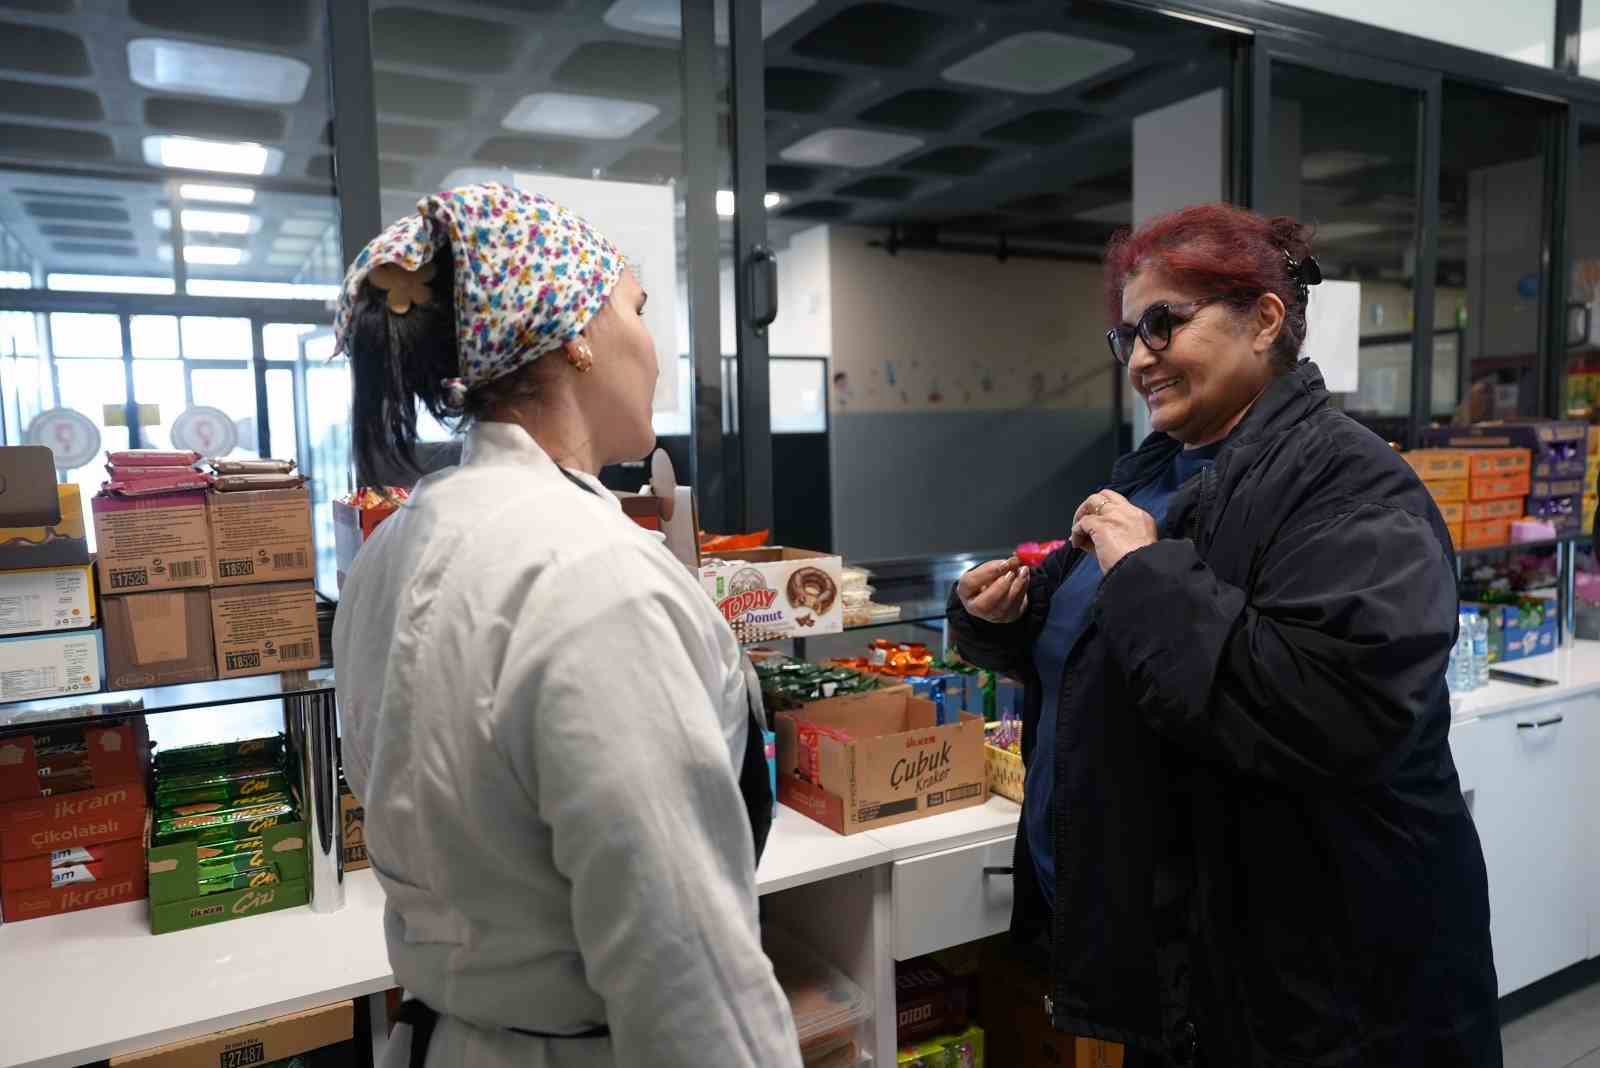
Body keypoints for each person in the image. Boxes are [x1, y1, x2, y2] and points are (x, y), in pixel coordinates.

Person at [949, 203, 1501, 1067]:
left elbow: (1327, 707)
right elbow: (1113, 649)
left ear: (1265, 319)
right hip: (1190, 978)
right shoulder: (1161, 476)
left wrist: (1142, 574)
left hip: (1319, 994)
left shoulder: (1352, 486)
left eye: (1163, 324)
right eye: (1126, 336)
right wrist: (1003, 622)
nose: (1139, 360)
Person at [333, 183, 801, 1068]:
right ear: (578, 336)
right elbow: (684, 965)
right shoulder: (596, 578)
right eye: (637, 307)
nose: (656, 352)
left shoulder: (392, 549)